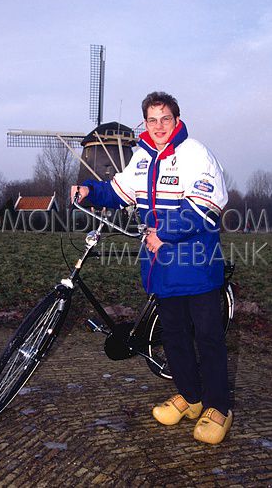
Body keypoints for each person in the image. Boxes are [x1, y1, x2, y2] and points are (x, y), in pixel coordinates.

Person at [71, 91, 232, 445]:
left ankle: (219, 407)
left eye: (165, 118)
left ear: (177, 119)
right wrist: (89, 190)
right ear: (144, 123)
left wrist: (165, 234)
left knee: (207, 337)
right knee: (173, 336)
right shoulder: (142, 157)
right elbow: (119, 190)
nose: (158, 126)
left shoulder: (195, 154)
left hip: (194, 263)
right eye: (152, 119)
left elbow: (207, 206)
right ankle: (191, 397)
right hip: (161, 266)